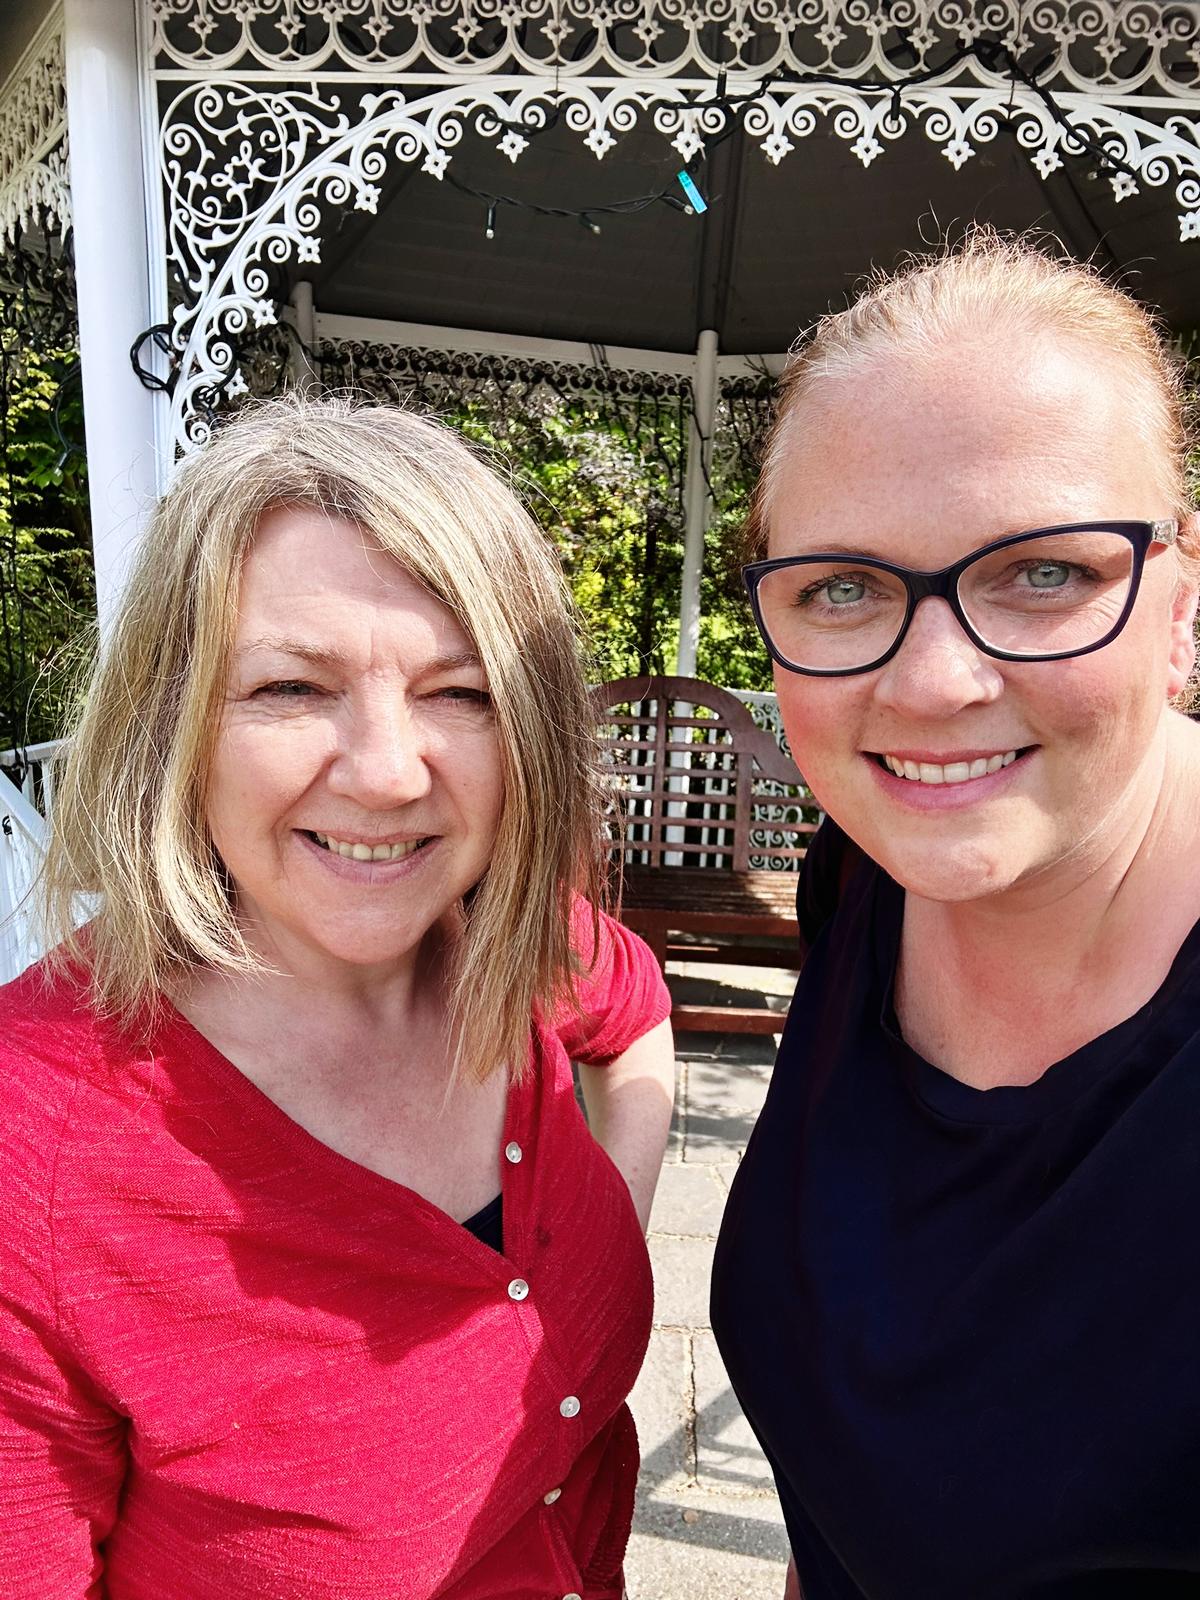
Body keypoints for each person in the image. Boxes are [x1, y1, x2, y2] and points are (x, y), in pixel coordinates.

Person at [0, 396, 676, 1599]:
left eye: (460, 692)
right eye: (293, 688)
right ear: (174, 725)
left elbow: (637, 1016)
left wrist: (608, 1214)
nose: (384, 770)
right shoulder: (33, 1156)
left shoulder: (505, 936)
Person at [710, 233, 1200, 1598]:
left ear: (1184, 599)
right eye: (844, 588)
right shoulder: (864, 883)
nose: (932, 682)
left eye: (1042, 572)